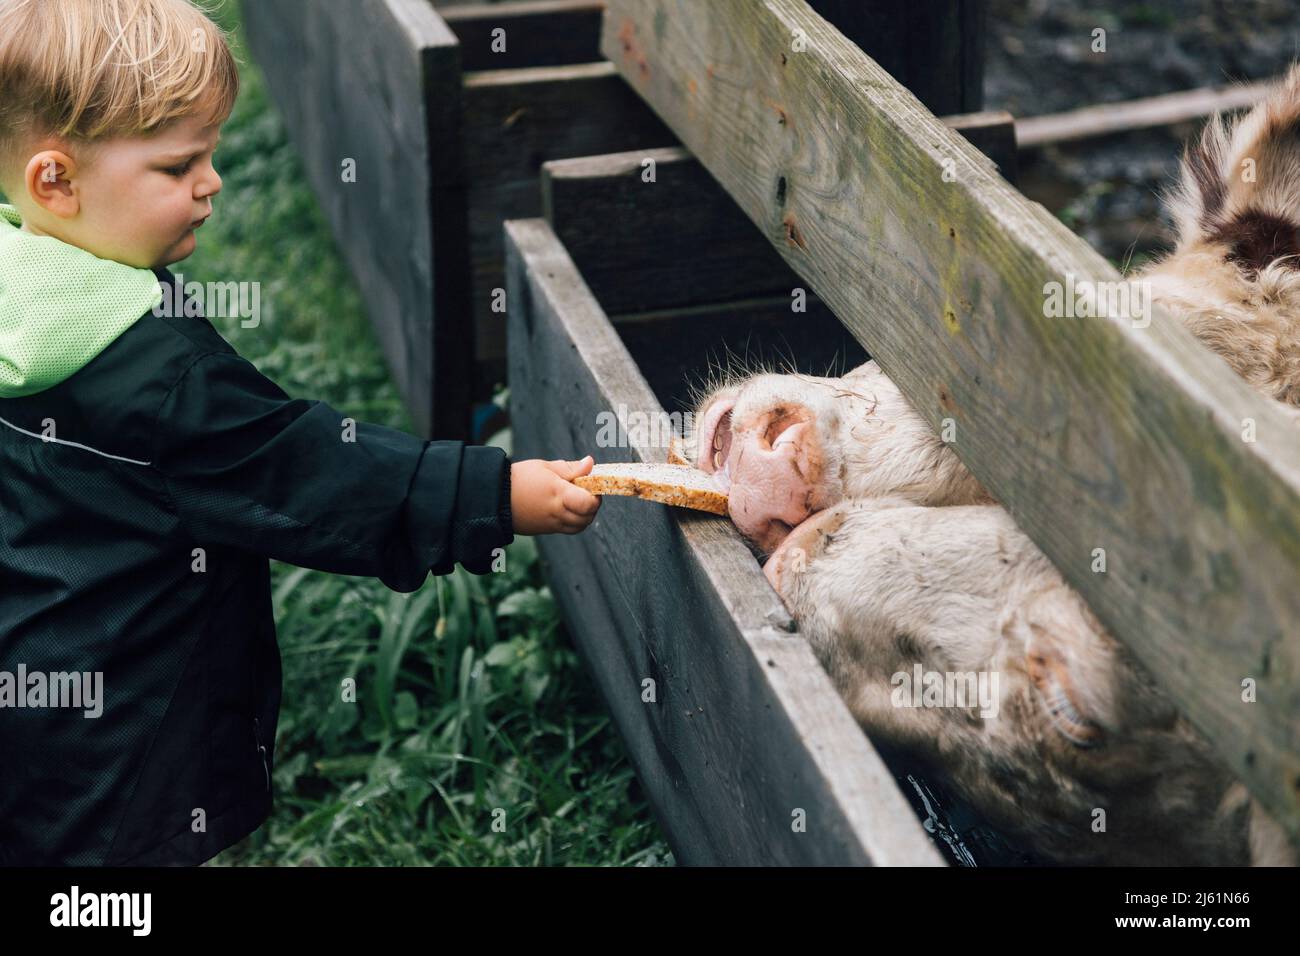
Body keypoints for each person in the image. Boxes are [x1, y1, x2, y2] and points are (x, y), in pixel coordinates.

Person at [0, 0, 600, 865]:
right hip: (128, 746)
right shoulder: (158, 377)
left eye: (210, 154)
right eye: (177, 166)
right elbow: (308, 471)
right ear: (56, 182)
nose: (212, 183)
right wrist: (498, 493)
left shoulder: (26, 298)